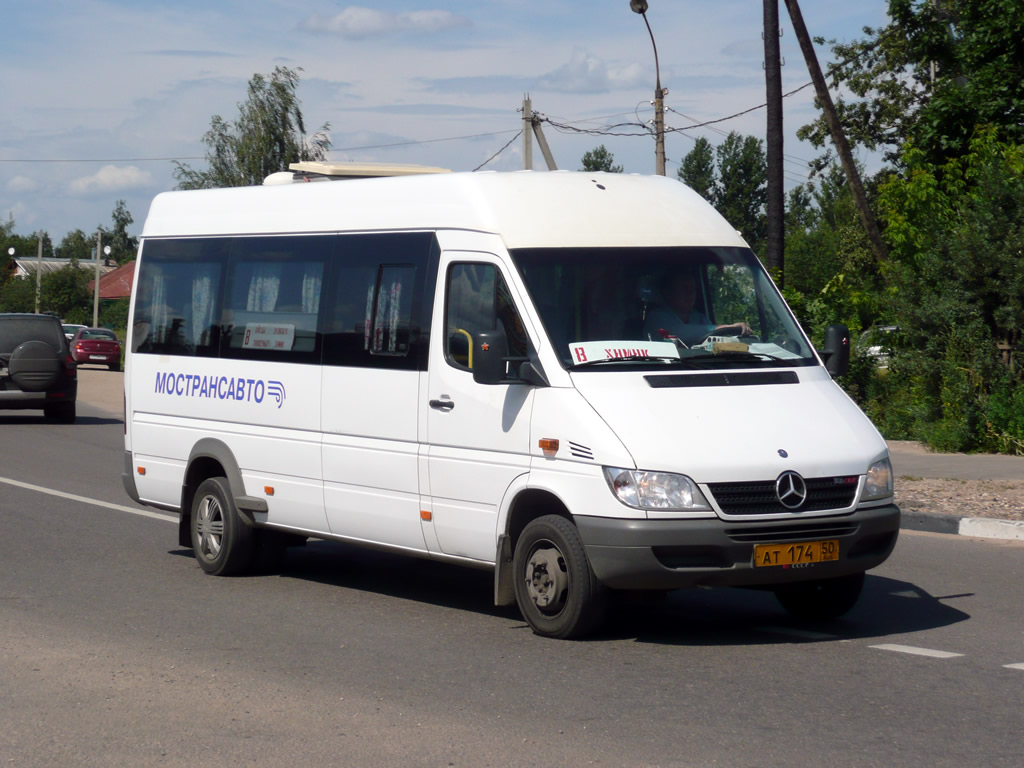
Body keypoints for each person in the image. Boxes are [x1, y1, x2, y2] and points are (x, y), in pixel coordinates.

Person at [643, 270, 753, 345]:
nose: (690, 293)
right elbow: (680, 333)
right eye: (683, 288)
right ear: (668, 293)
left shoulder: (699, 317)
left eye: (692, 289)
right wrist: (726, 327)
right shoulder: (656, 317)